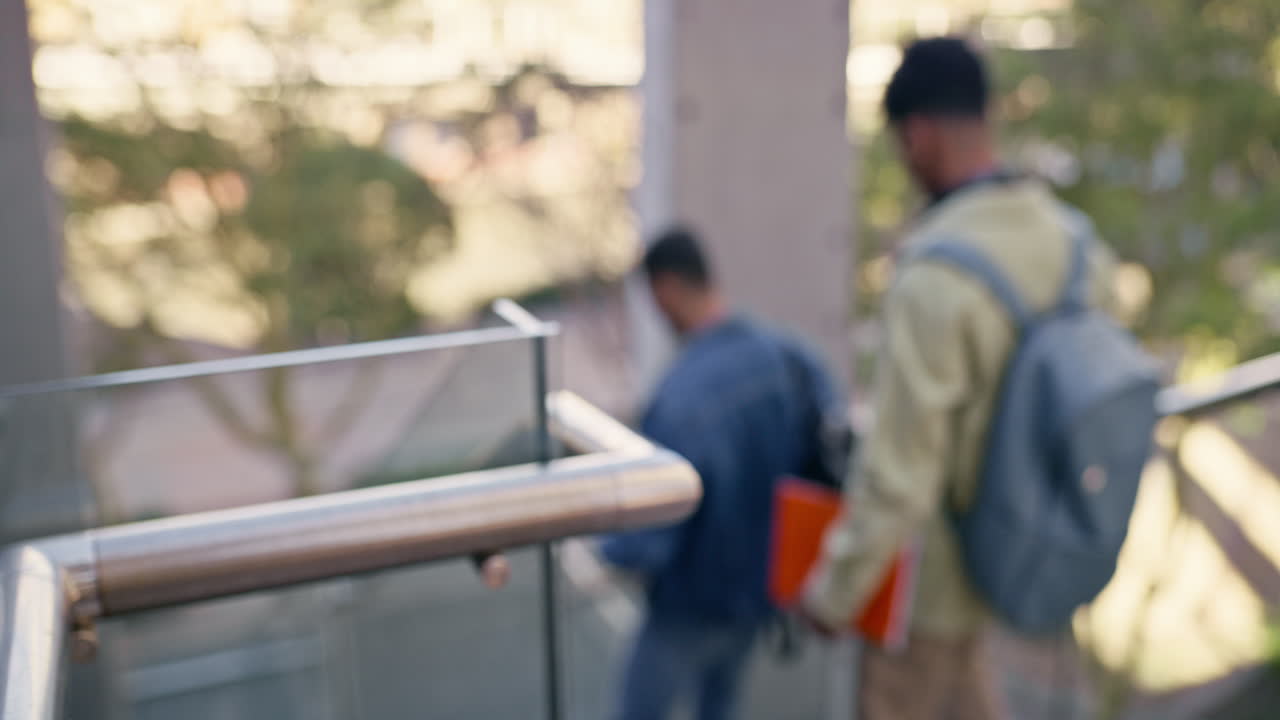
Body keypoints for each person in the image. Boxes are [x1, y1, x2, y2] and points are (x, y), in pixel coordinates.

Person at [801, 37, 1122, 719]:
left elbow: (900, 473)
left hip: (939, 588)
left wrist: (835, 592)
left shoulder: (934, 277)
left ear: (916, 136)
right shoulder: (1077, 244)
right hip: (1041, 546)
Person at [602, 226, 843, 720]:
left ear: (665, 287)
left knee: (639, 709)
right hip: (759, 591)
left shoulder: (681, 397)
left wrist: (605, 549)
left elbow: (650, 534)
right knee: (722, 705)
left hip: (690, 602)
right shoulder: (788, 357)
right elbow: (828, 456)